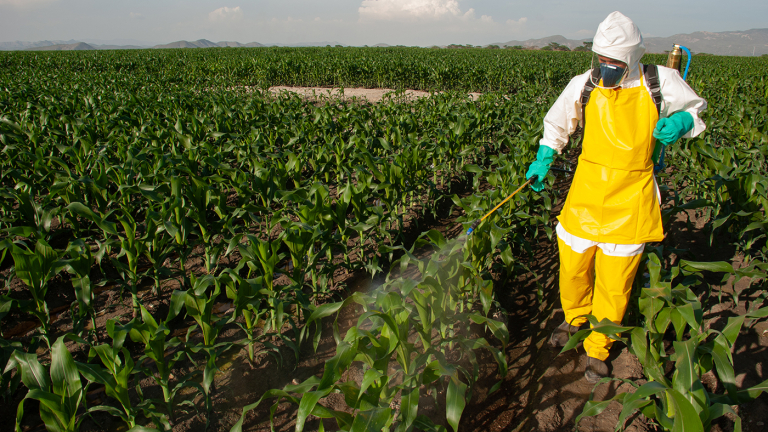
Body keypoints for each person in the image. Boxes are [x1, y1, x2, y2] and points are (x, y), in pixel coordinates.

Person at [525, 11, 707, 383]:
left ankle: (598, 346)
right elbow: (558, 122)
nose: (606, 67)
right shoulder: (585, 83)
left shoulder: (660, 81)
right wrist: (545, 156)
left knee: (615, 281)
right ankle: (574, 320)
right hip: (587, 190)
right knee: (573, 268)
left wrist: (681, 122)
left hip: (632, 194)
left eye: (614, 62)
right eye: (602, 59)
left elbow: (696, 108)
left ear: (632, 57)